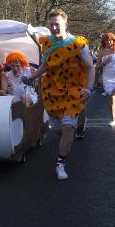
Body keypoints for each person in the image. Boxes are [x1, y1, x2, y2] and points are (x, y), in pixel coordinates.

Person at [28, 9, 95, 180]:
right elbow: (45, 65)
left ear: (65, 23)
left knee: (67, 126)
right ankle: (71, 133)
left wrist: (89, 87)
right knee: (58, 129)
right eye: (51, 24)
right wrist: (32, 77)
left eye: (56, 24)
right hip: (52, 91)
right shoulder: (46, 43)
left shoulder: (79, 44)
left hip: (73, 90)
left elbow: (90, 67)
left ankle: (60, 163)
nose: (53, 28)